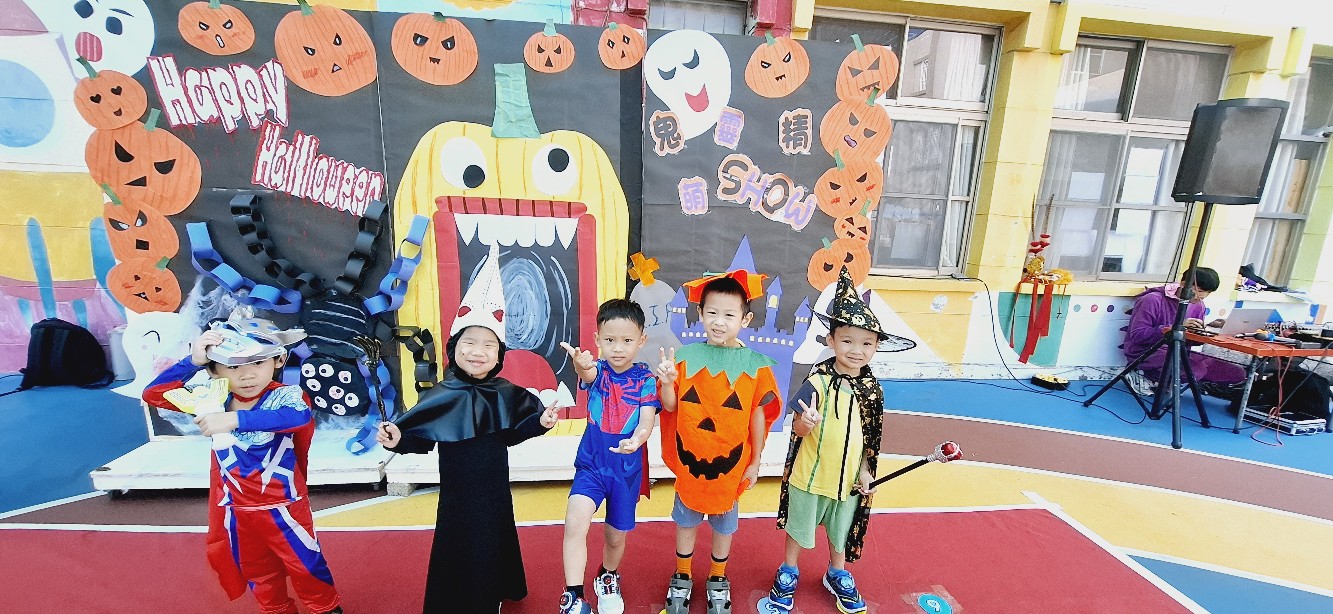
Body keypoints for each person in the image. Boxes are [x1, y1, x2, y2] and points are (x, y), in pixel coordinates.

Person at [376, 243, 560, 614]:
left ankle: (495, 591)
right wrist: (398, 439)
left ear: (499, 354)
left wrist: (539, 423)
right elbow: (423, 438)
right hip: (457, 491)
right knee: (458, 539)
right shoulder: (442, 394)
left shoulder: (505, 392)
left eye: (488, 345)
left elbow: (511, 433)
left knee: (494, 533)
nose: (478, 352)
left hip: (494, 485)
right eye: (470, 343)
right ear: (454, 347)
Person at [142, 315, 342, 614]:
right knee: (257, 571)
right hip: (236, 510)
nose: (247, 375)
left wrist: (234, 419)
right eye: (233, 366)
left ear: (278, 360)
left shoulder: (285, 396)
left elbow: (298, 417)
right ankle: (276, 610)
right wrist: (193, 361)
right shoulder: (212, 399)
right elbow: (154, 394)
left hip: (284, 507)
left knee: (306, 564)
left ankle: (324, 609)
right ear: (214, 370)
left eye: (258, 362)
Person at [762, 267, 912, 614]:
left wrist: (865, 473)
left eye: (866, 343)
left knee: (840, 532)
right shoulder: (817, 381)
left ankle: (837, 573)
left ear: (877, 346)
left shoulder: (872, 390)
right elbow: (797, 430)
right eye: (847, 341)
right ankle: (789, 570)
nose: (856, 350)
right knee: (799, 528)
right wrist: (805, 423)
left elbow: (870, 440)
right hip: (809, 477)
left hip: (847, 483)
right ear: (830, 340)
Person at [655, 270, 783, 614]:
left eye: (729, 314)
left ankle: (717, 577)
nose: (719, 321)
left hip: (729, 466)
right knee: (686, 520)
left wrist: (755, 461)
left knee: (724, 525)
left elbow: (758, 415)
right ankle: (682, 574)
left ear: (746, 319)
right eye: (711, 312)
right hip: (691, 463)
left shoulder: (754, 367)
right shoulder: (684, 358)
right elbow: (670, 407)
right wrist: (667, 383)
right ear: (700, 314)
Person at [556, 299, 661, 614]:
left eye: (627, 340)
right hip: (591, 467)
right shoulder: (598, 371)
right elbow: (587, 373)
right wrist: (579, 363)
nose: (618, 348)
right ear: (598, 339)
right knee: (575, 521)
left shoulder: (645, 380)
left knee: (615, 537)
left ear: (641, 340)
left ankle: (607, 574)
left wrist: (637, 439)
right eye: (610, 340)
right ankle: (574, 596)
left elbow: (646, 421)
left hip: (626, 471)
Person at [1123, 267, 1246, 389]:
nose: (1203, 296)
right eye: (1200, 290)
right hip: (1147, 352)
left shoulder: (1198, 305)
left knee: (1237, 373)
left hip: (1180, 352)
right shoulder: (1152, 300)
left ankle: (1176, 380)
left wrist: (1206, 331)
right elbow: (1137, 335)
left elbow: (1191, 341)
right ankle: (1144, 375)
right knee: (1195, 371)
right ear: (1183, 284)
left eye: (1208, 292)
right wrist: (1175, 327)